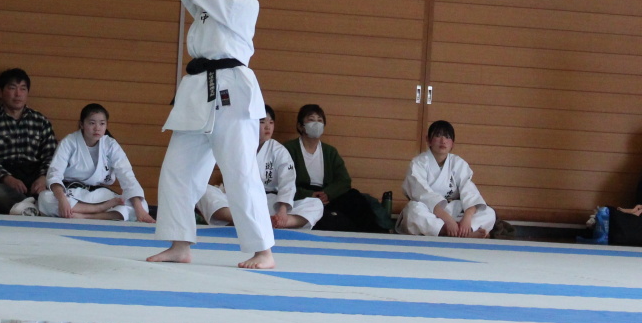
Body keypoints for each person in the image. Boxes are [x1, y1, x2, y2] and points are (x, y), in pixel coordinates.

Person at [147, 0, 275, 269]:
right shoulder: (212, 0)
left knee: (240, 172)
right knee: (178, 170)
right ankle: (179, 244)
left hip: (231, 92)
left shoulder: (240, 1)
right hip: (198, 92)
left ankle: (263, 251)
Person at [197, 104, 323, 229]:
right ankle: (246, 220)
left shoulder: (279, 150)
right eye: (262, 122)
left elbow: (287, 182)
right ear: (249, 124)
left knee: (316, 204)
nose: (268, 127)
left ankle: (282, 222)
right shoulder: (237, 146)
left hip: (269, 203)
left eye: (271, 122)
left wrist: (282, 211)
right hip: (241, 201)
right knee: (203, 190)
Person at [38, 103, 154, 222]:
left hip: (100, 194)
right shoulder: (69, 142)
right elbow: (54, 174)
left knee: (142, 205)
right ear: (81, 124)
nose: (97, 128)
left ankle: (86, 216)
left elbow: (127, 175)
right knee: (45, 198)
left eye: (102, 123)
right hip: (71, 192)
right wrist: (62, 200)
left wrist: (139, 209)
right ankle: (99, 210)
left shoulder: (110, 144)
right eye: (92, 123)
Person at [283, 104, 388, 233]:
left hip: (327, 193)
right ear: (300, 126)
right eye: (311, 120)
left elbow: (344, 180)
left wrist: (327, 194)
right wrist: (309, 194)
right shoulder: (288, 149)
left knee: (355, 198)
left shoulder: (330, 151)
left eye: (320, 120)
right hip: (303, 195)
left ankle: (372, 235)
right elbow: (283, 182)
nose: (316, 124)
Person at [0, 68, 56, 215]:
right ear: (0, 92)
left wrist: (43, 178)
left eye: (23, 89)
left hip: (34, 178)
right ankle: (33, 208)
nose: (18, 94)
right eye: (12, 88)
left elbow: (52, 155)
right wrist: (7, 178)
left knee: (56, 193)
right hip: (3, 180)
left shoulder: (40, 121)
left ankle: (27, 208)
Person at [395, 120, 496, 238]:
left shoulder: (458, 163)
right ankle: (450, 232)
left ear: (452, 143)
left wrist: (467, 217)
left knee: (488, 212)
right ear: (428, 140)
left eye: (447, 137)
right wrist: (447, 220)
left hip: (452, 209)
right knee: (413, 210)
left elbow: (470, 193)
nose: (443, 141)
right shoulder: (418, 163)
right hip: (430, 210)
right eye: (438, 135)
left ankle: (465, 230)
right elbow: (422, 194)